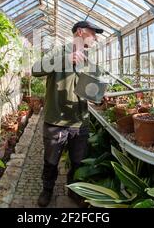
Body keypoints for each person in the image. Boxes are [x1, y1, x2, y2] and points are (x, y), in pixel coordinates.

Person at [31, 20, 104, 207]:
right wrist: (66, 60)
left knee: (78, 162)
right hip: (55, 120)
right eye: (92, 33)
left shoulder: (89, 61)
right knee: (51, 161)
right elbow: (35, 70)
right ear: (80, 32)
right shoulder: (59, 51)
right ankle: (47, 190)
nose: (95, 37)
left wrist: (100, 96)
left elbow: (92, 90)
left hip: (80, 122)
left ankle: (73, 191)